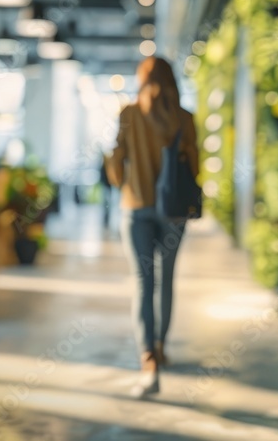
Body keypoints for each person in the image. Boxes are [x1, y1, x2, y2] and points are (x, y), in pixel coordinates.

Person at [107, 56, 199, 398]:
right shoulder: (185, 119)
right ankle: (160, 346)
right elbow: (195, 164)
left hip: (135, 208)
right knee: (167, 279)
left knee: (144, 283)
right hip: (173, 211)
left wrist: (126, 180)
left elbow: (117, 164)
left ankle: (148, 360)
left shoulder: (129, 115)